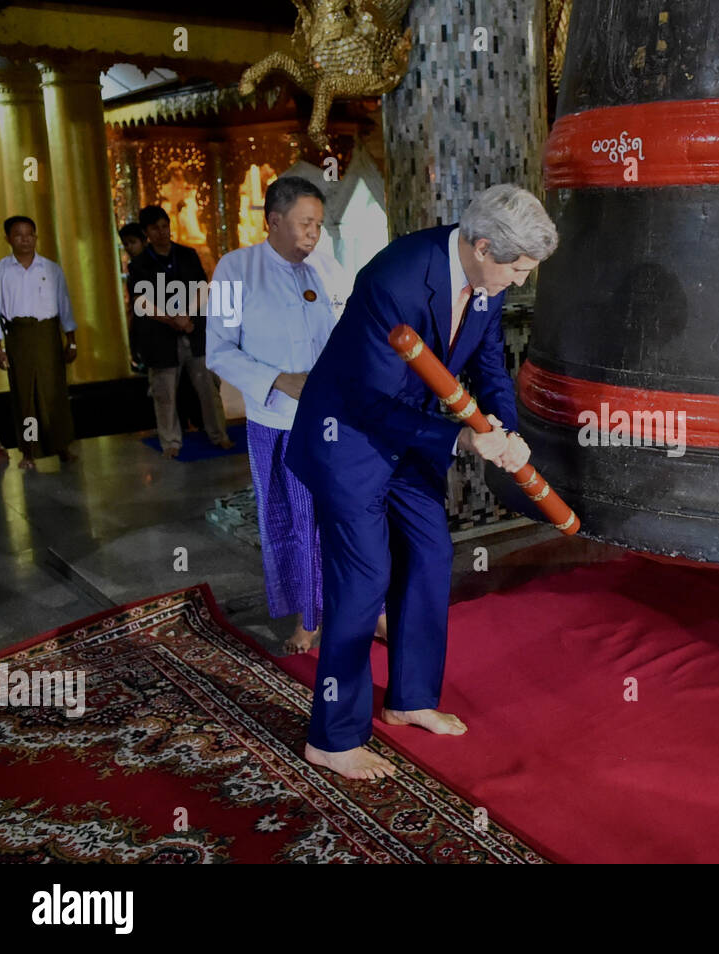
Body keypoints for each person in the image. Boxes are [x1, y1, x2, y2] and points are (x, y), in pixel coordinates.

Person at [286, 183, 557, 780]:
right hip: (350, 435)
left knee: (431, 554)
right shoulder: (397, 278)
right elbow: (369, 400)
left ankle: (409, 699)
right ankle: (331, 737)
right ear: (483, 246)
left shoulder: (485, 283)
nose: (521, 281)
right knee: (364, 581)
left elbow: (487, 365)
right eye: (517, 268)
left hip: (407, 434)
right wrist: (461, 439)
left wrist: (505, 433)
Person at [207, 176, 344, 654]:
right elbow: (218, 352)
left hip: (330, 421)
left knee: (343, 517)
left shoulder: (325, 268)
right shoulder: (234, 269)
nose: (313, 234)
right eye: (305, 224)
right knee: (294, 520)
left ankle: (362, 610)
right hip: (277, 421)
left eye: (319, 226)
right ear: (274, 221)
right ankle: (310, 616)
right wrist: (279, 379)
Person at [128, 205, 232, 458]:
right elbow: (141, 301)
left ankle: (219, 434)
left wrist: (186, 316)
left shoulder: (187, 255)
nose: (162, 232)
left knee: (208, 387)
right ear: (146, 233)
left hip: (193, 330)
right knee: (165, 393)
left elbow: (201, 288)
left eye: (165, 226)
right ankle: (171, 442)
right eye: (155, 228)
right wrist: (172, 319)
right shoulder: (140, 264)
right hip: (160, 336)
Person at [0, 215, 77, 470]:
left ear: (36, 237)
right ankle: (29, 451)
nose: (25, 239)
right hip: (19, 337)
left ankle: (62, 447)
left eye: (29, 234)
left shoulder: (51, 269)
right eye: (18, 234)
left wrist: (71, 341)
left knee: (54, 393)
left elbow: (65, 306)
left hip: (48, 335)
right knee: (25, 397)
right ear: (7, 238)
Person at [119, 223, 148, 374]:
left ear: (143, 241)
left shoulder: (150, 265)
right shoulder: (134, 267)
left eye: (132, 242)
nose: (129, 247)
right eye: (126, 244)